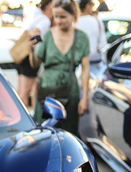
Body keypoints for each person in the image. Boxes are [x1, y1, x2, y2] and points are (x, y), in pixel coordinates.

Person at [29, 0, 90, 137]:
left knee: (68, 134)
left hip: (70, 91)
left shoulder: (82, 38)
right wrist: (32, 50)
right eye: (55, 16)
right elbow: (35, 64)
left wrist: (84, 97)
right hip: (47, 91)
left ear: (73, 15)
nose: (58, 21)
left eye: (63, 17)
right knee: (44, 133)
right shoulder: (48, 35)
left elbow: (86, 70)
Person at [16, 0, 53, 110]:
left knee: (21, 92)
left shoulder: (38, 16)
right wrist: (38, 48)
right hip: (29, 58)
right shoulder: (45, 20)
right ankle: (23, 120)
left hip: (23, 58)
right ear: (50, 5)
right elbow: (34, 33)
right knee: (24, 93)